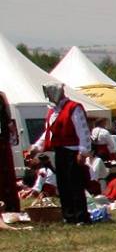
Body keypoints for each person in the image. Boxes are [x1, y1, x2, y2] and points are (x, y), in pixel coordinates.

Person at [29, 84, 92, 224]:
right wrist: (37, 147)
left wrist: (83, 151)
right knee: (63, 185)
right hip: (60, 151)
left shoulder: (73, 108)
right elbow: (48, 133)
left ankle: (81, 217)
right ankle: (68, 216)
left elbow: (83, 131)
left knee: (75, 185)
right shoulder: (52, 112)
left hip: (73, 151)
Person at [0, 89, 19, 214]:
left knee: (6, 176)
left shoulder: (1, 96)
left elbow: (8, 118)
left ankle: (10, 207)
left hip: (2, 141)